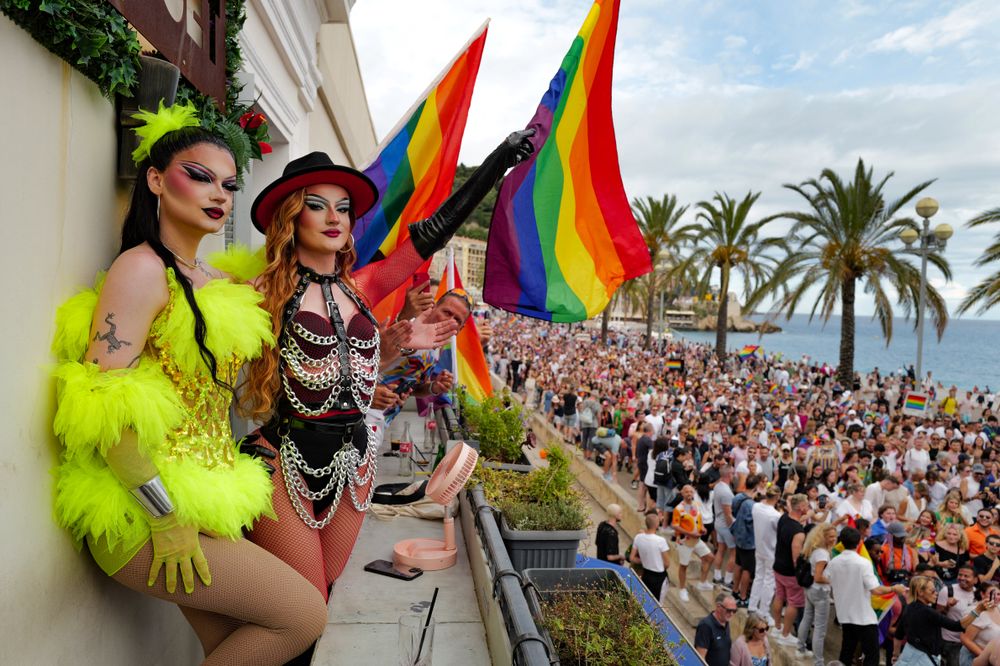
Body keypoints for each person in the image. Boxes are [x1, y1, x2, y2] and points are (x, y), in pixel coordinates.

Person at [50, 104, 328, 663]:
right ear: (156, 180)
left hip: (202, 500)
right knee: (303, 616)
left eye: (229, 184)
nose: (219, 194)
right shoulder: (141, 270)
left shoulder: (217, 280)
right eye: (200, 176)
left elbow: (301, 276)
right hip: (141, 511)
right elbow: (99, 403)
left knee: (229, 646)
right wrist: (164, 516)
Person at [241, 130, 535, 601]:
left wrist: (497, 162)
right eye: (317, 205)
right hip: (284, 462)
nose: (335, 217)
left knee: (325, 591)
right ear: (290, 217)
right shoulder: (260, 294)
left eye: (343, 208)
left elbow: (434, 232)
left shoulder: (363, 286)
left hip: (355, 463)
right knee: (304, 604)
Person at [826, 527, 907, 666]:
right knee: (872, 655)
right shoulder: (863, 563)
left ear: (841, 542)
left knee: (846, 652)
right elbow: (876, 590)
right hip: (863, 617)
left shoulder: (834, 561)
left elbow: (826, 579)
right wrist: (894, 588)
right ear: (859, 542)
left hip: (845, 614)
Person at [896, 575, 992, 666]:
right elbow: (957, 626)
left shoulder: (909, 607)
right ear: (920, 592)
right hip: (921, 659)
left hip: (909, 656)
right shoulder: (926, 611)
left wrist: (895, 655)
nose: (936, 593)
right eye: (932, 591)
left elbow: (898, 635)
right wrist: (978, 610)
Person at [771, 493, 807, 646]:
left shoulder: (784, 518)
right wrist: (801, 575)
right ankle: (785, 634)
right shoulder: (798, 532)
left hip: (778, 565)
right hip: (790, 572)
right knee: (793, 602)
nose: (808, 507)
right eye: (806, 505)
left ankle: (777, 627)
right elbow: (795, 558)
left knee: (779, 596)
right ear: (801, 507)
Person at [797, 523, 836, 666]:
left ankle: (800, 648)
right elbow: (818, 577)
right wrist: (833, 581)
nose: (833, 539)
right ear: (822, 537)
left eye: (834, 536)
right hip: (820, 591)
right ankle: (818, 661)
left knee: (807, 618)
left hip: (811, 590)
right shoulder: (823, 554)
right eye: (830, 536)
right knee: (820, 628)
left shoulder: (814, 550)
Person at [672, 484, 715, 602]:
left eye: (691, 492)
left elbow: (698, 520)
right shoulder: (678, 509)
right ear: (682, 493)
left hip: (696, 540)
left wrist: (702, 528)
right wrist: (690, 533)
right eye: (686, 492)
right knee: (684, 565)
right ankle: (682, 589)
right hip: (684, 541)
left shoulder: (696, 505)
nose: (689, 494)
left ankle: (703, 582)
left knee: (710, 557)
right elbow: (675, 525)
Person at [748, 485, 782, 622]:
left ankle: (752, 606)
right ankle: (763, 611)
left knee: (759, 577)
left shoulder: (756, 507)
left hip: (759, 548)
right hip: (771, 551)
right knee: (769, 581)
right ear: (777, 497)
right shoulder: (776, 515)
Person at [937, 564, 979, 666]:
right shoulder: (947, 590)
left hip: (971, 642)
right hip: (951, 642)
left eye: (966, 576)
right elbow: (937, 616)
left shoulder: (978, 593)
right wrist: (947, 607)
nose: (962, 578)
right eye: (960, 575)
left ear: (975, 580)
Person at [630, 512, 671, 601]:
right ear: (657, 524)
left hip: (646, 574)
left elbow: (632, 558)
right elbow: (667, 563)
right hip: (659, 577)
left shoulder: (638, 537)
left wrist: (645, 561)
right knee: (658, 603)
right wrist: (655, 563)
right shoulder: (660, 541)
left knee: (645, 600)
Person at [960, 582, 1000, 666]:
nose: (996, 597)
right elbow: (965, 639)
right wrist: (985, 657)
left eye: (998, 594)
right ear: (982, 594)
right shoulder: (978, 612)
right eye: (992, 594)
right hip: (975, 659)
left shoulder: (998, 607)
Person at [712, 464, 737, 589]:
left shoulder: (718, 486)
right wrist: (733, 528)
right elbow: (728, 514)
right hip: (726, 525)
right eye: (732, 473)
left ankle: (717, 577)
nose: (734, 475)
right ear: (729, 475)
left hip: (718, 522)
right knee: (733, 552)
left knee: (721, 550)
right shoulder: (726, 492)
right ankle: (727, 581)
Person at [695, 593, 737, 666]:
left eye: (734, 611)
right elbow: (700, 658)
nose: (731, 614)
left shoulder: (726, 622)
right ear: (718, 607)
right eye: (729, 610)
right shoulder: (705, 626)